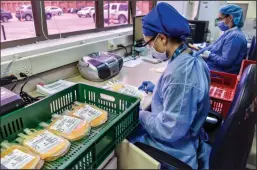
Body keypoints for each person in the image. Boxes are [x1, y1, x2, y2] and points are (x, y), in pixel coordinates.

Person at [128, 2, 211, 169]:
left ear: (162, 38)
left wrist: (140, 114)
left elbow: (169, 130)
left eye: (149, 43)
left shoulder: (181, 74)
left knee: (123, 142)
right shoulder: (188, 57)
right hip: (184, 137)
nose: (150, 48)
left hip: (174, 150)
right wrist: (157, 89)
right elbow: (181, 95)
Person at [195, 4, 247, 74]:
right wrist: (201, 49)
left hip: (221, 73)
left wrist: (209, 55)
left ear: (230, 18)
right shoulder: (229, 33)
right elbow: (215, 47)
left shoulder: (235, 36)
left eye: (220, 19)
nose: (218, 22)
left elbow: (225, 62)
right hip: (214, 68)